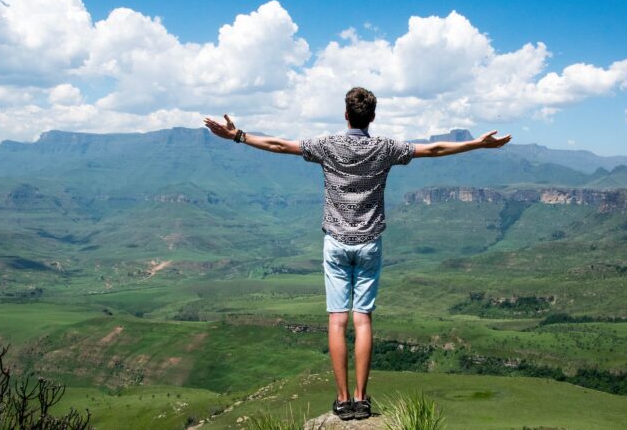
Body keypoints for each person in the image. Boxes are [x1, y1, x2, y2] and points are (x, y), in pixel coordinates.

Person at [203, 87, 512, 421]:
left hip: (335, 242)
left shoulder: (327, 145)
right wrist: (478, 144)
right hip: (369, 244)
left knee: (337, 320)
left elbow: (279, 145)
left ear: (346, 114)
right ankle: (362, 401)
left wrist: (239, 136)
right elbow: (434, 148)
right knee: (362, 318)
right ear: (373, 117)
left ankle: (342, 400)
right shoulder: (385, 148)